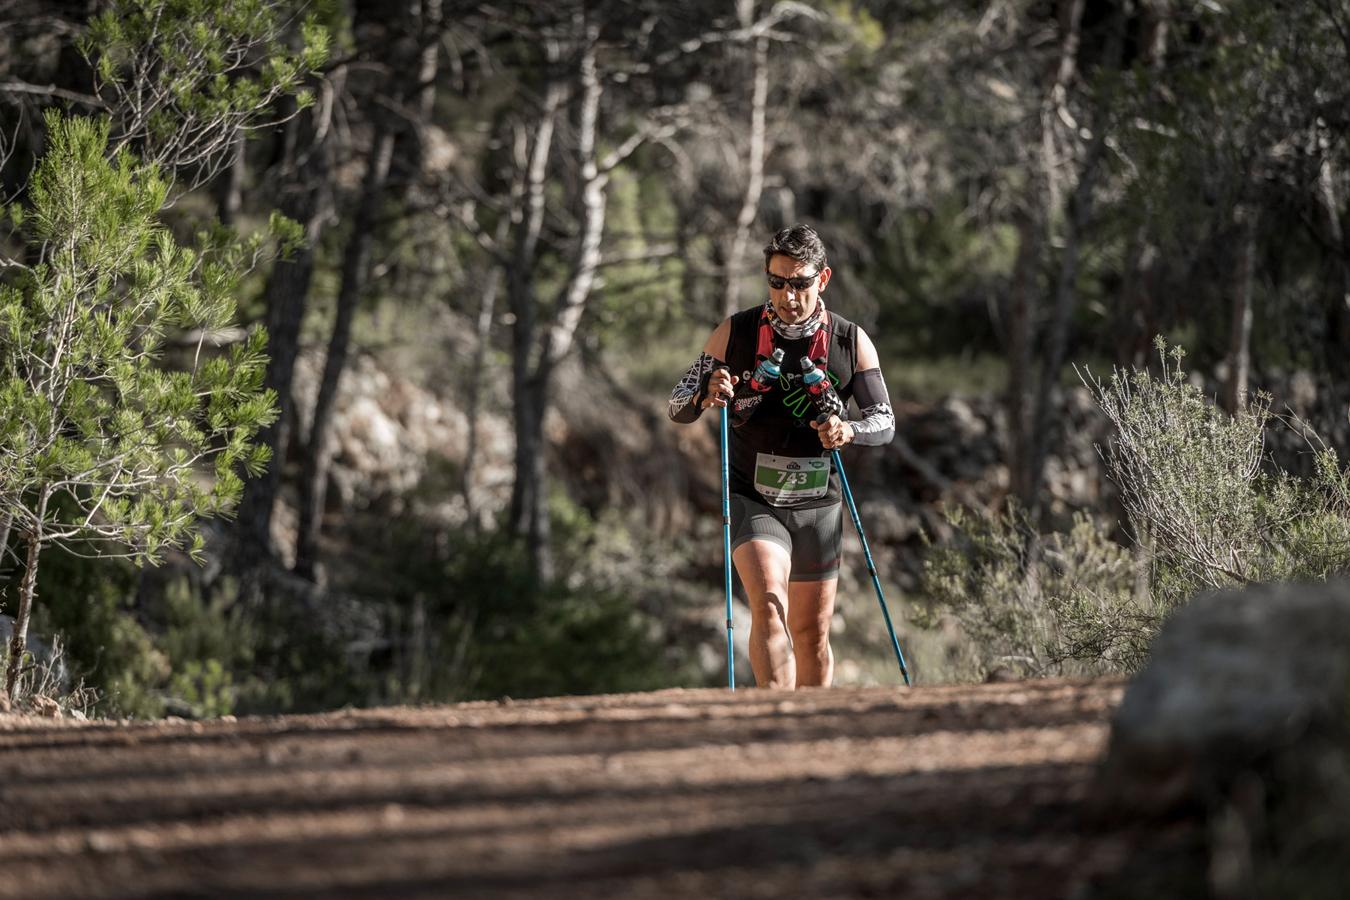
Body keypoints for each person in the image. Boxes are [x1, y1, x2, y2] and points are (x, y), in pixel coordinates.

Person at [668, 224, 896, 688]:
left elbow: (885, 421)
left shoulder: (850, 342)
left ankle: (812, 731)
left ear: (823, 278)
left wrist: (847, 429)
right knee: (770, 607)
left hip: (819, 504)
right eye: (776, 282)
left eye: (800, 283)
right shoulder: (736, 331)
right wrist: (707, 394)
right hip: (754, 496)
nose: (788, 295)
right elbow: (677, 404)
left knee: (811, 634)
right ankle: (775, 718)